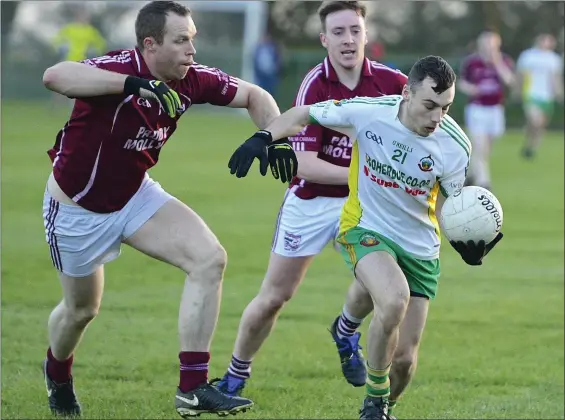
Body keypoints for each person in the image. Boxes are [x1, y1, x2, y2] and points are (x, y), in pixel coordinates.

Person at [40, 1, 296, 418]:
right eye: (182, 41)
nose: (192, 50)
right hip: (76, 210)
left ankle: (193, 389)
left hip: (135, 196)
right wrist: (131, 85)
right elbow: (55, 76)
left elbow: (254, 94)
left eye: (192, 39)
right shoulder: (120, 67)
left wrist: (275, 136)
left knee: (209, 259)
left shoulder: (191, 79)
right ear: (150, 45)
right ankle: (57, 373)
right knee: (81, 310)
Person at [229, 55, 504, 419]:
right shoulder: (369, 112)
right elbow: (302, 114)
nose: (437, 117)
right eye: (429, 105)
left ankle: (379, 400)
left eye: (446, 107)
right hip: (365, 227)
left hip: (419, 245)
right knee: (392, 299)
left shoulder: (455, 145)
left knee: (404, 362)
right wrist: (263, 137)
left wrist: (464, 241)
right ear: (406, 94)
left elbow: (449, 207)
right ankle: (374, 401)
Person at [216, 0, 407, 397]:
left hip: (364, 207)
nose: (348, 39)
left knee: (384, 286)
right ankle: (234, 377)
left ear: (366, 34)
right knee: (273, 297)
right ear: (324, 40)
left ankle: (345, 329)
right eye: (338, 32)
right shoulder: (314, 85)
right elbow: (302, 162)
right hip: (310, 202)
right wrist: (365, 177)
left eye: (355, 30)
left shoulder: (393, 84)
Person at [458, 30, 515, 190]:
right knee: (479, 145)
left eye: (492, 44)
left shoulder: (503, 60)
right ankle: (484, 183)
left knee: (486, 149)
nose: (489, 48)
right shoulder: (471, 62)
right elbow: (462, 82)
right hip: (477, 108)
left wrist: (497, 63)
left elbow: (510, 81)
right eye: (486, 44)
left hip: (495, 109)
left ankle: (471, 176)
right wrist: (471, 89)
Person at [515, 33, 564, 159]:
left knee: (540, 125)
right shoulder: (528, 56)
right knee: (535, 121)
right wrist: (518, 90)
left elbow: (556, 78)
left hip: (547, 96)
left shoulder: (554, 59)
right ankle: (529, 133)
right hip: (531, 94)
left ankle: (530, 147)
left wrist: (559, 92)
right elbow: (520, 75)